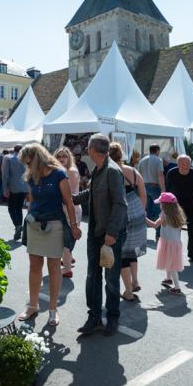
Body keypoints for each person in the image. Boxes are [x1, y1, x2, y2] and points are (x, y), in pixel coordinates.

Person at [18, 143, 81, 327]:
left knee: (54, 267)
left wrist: (74, 226)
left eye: (29, 163)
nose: (28, 167)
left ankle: (53, 310)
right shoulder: (31, 176)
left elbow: (69, 203)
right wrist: (28, 221)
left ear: (38, 158)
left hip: (54, 225)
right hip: (35, 225)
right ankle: (33, 306)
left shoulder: (59, 174)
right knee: (34, 267)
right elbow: (32, 202)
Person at [73, 134, 127, 336]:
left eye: (88, 147)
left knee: (111, 279)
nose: (86, 150)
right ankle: (94, 317)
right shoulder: (99, 169)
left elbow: (121, 205)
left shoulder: (112, 171)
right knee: (92, 276)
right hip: (96, 232)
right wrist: (73, 199)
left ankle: (113, 317)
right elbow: (91, 193)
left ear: (92, 150)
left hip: (110, 233)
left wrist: (112, 233)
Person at [109, 142, 147, 301]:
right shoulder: (133, 170)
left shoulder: (111, 172)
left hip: (121, 214)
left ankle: (128, 291)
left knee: (122, 254)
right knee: (133, 249)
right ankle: (135, 280)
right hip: (136, 211)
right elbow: (143, 194)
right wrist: (141, 212)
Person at [166, 154, 193, 262]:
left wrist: (190, 191)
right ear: (177, 163)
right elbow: (168, 188)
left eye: (187, 163)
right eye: (182, 163)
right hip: (175, 206)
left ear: (190, 164)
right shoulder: (172, 173)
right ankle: (174, 253)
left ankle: (192, 255)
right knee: (174, 231)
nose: (185, 165)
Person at [149, 192, 186, 294]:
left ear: (165, 205)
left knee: (172, 266)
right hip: (175, 243)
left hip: (168, 242)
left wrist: (143, 217)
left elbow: (154, 225)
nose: (160, 205)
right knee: (169, 261)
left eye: (161, 203)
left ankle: (177, 287)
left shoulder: (164, 215)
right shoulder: (178, 214)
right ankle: (168, 278)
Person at [55, 147, 82, 278]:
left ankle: (66, 269)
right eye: (59, 156)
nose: (61, 159)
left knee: (65, 239)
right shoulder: (68, 170)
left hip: (69, 208)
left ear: (69, 157)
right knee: (68, 237)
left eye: (64, 156)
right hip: (71, 207)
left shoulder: (69, 171)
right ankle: (68, 259)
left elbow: (68, 195)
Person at [137, 144, 165, 240]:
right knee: (159, 210)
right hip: (154, 186)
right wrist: (163, 189)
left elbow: (138, 175)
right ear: (157, 150)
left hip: (144, 186)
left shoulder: (142, 160)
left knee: (145, 210)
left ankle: (141, 233)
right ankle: (158, 234)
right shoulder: (158, 160)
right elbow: (160, 175)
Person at [2, 144, 28, 240]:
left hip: (14, 187)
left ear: (14, 150)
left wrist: (5, 188)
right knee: (19, 208)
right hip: (24, 187)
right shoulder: (26, 160)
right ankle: (18, 228)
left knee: (11, 208)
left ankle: (17, 226)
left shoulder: (9, 158)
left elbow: (5, 175)